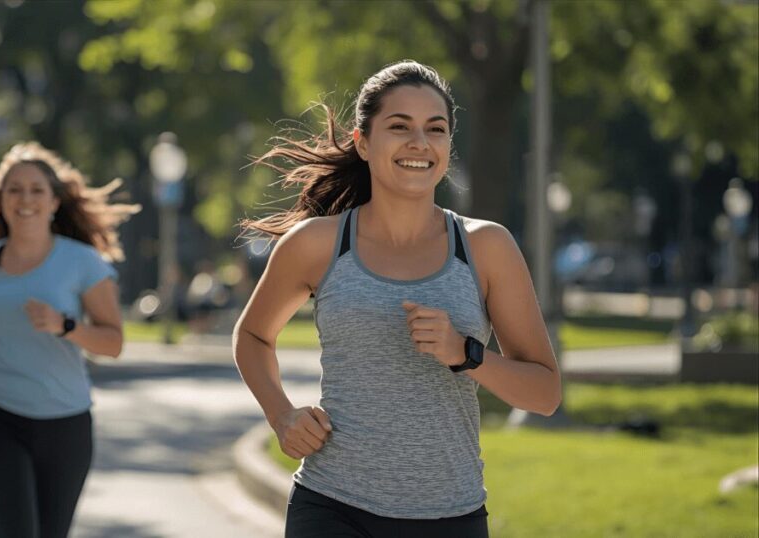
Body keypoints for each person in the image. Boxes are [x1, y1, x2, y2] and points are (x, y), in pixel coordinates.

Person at [233, 60, 562, 537]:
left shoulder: (486, 247)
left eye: (436, 129)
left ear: (449, 146)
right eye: (399, 127)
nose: (419, 143)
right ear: (363, 142)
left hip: (450, 516)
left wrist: (466, 353)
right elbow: (253, 335)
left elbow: (545, 394)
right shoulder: (317, 244)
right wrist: (280, 413)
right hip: (333, 505)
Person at [0, 142, 139, 538]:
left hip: (65, 424)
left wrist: (65, 326)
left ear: (53, 201)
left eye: (36, 190)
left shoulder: (83, 262)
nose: (25, 199)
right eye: (14, 189)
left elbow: (113, 343)